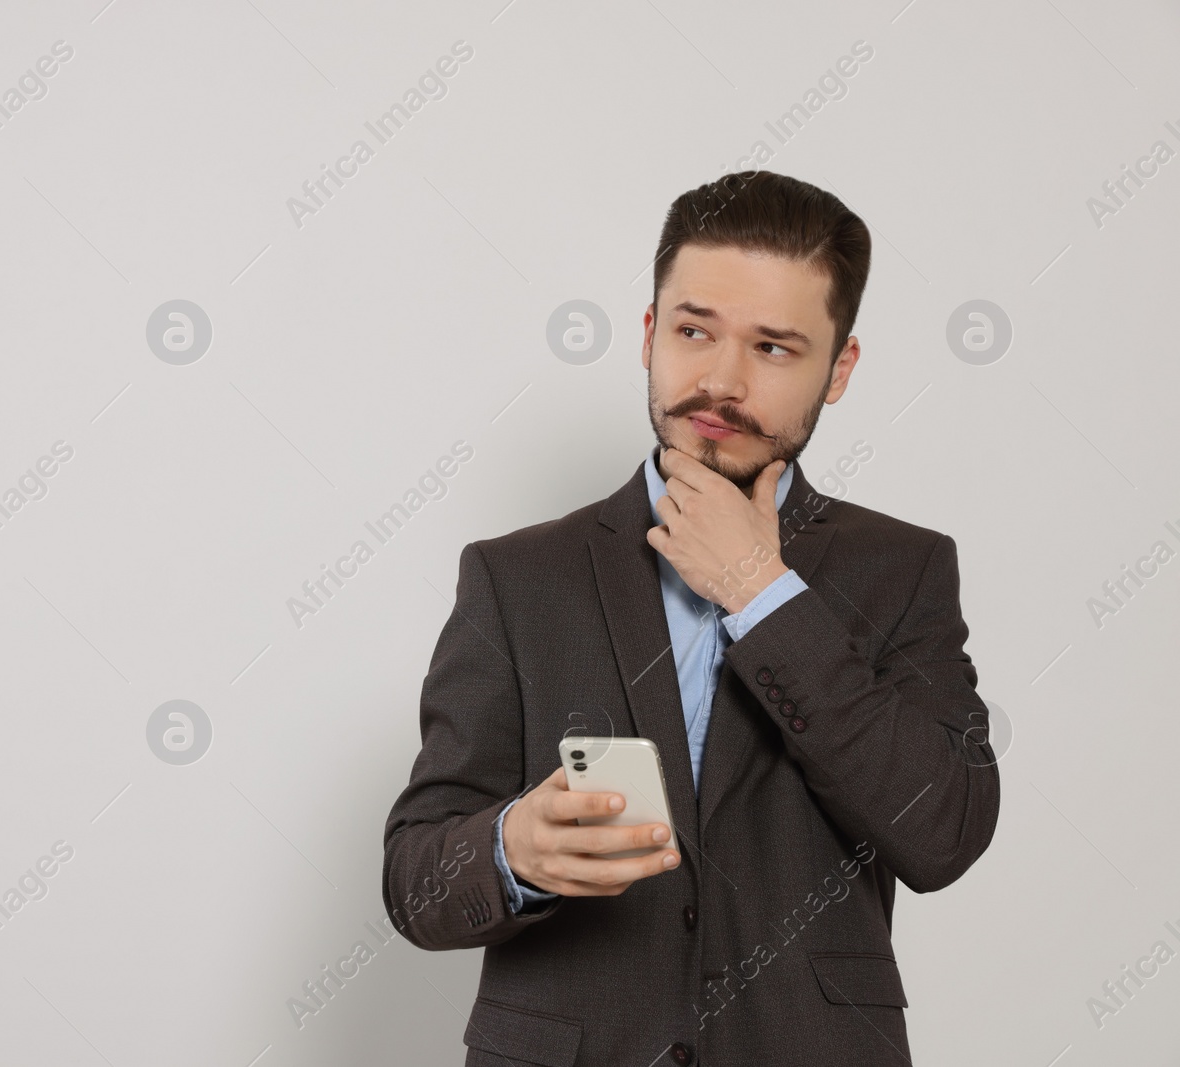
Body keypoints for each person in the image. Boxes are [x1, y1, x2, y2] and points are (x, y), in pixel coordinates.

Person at [381, 170, 1001, 1067]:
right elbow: (414, 884)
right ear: (648, 333)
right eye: (693, 330)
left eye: (776, 348)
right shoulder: (517, 576)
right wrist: (511, 848)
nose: (719, 380)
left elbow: (942, 830)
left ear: (841, 369)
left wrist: (761, 588)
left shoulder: (903, 569)